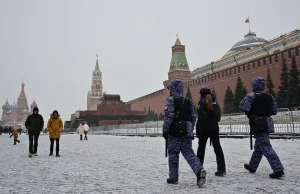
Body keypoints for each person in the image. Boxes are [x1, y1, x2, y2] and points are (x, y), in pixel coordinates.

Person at [163, 80, 206, 187]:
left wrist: (165, 130)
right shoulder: (189, 101)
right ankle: (199, 170)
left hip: (174, 132)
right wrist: (189, 127)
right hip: (187, 131)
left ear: (173, 89)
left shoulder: (170, 101)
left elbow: (168, 117)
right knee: (189, 153)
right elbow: (193, 116)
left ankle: (173, 178)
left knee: (173, 154)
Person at [239, 77, 284, 179]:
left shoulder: (251, 96)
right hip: (267, 123)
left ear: (254, 85)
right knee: (259, 147)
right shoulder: (270, 96)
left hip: (258, 123)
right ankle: (252, 166)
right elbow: (275, 111)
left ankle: (278, 169)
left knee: (265, 146)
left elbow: (243, 107)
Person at [196, 88, 226, 176]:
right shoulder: (215, 102)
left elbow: (201, 117)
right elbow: (218, 117)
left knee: (201, 149)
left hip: (203, 128)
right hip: (214, 127)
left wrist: (198, 130)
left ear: (201, 94)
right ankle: (222, 169)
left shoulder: (201, 102)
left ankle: (198, 168)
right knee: (218, 149)